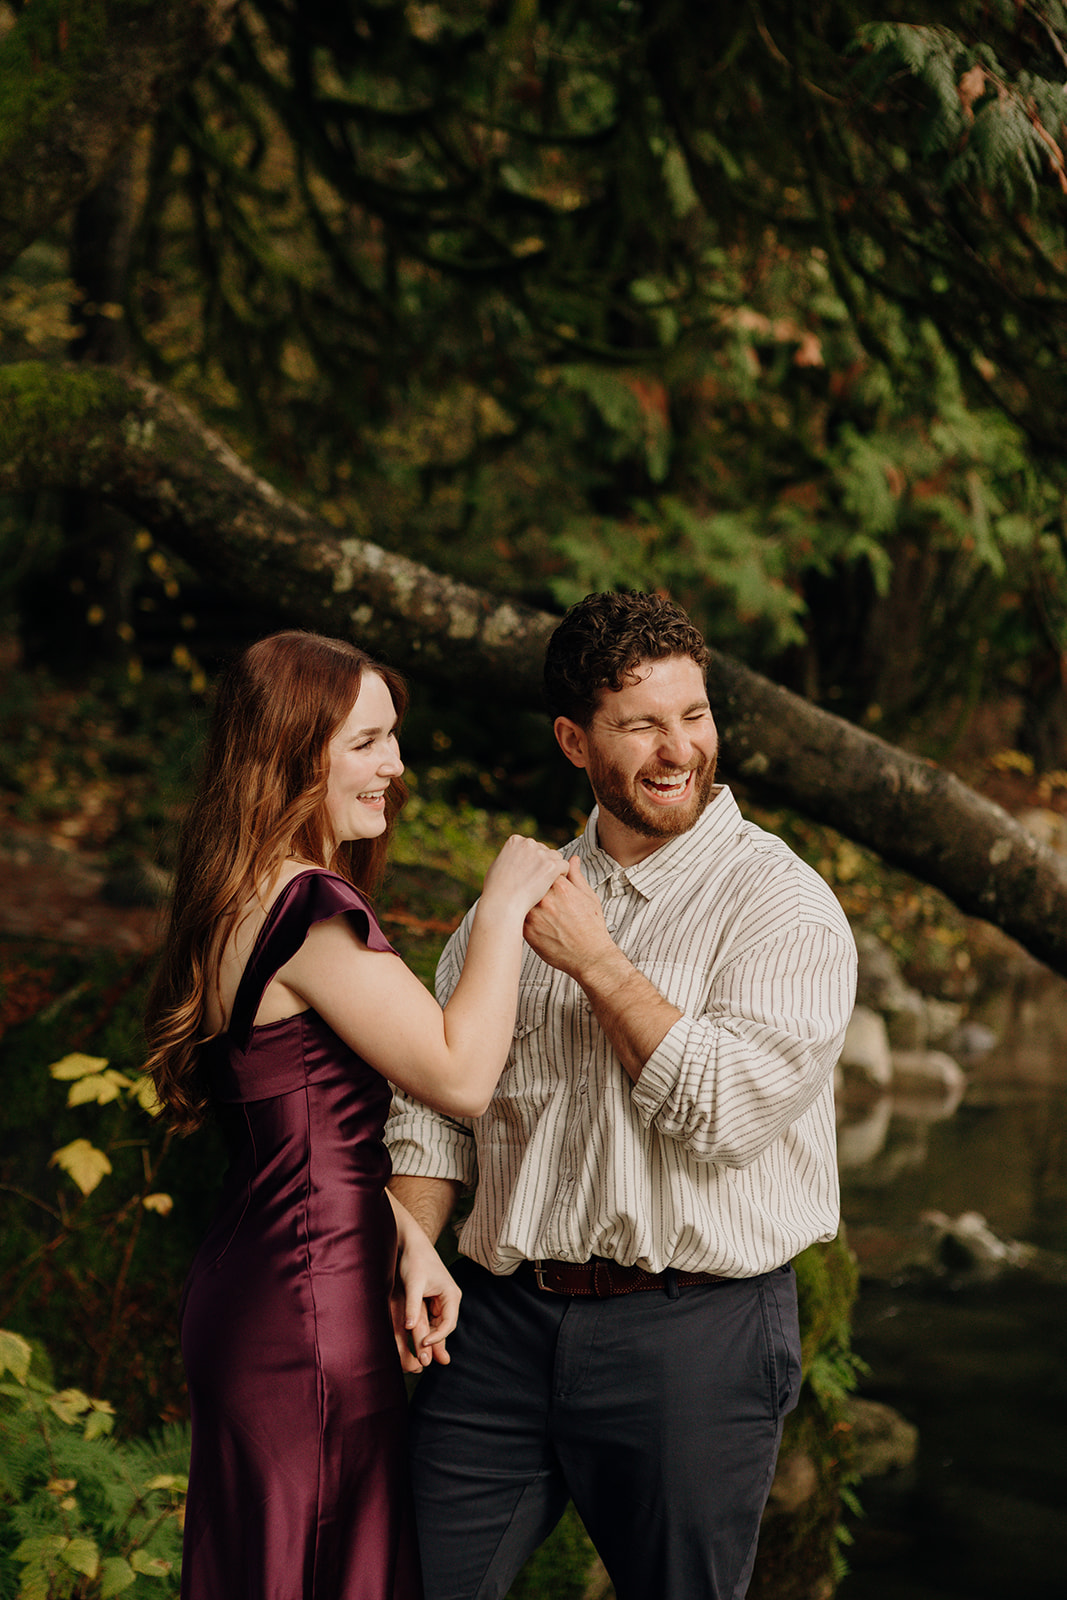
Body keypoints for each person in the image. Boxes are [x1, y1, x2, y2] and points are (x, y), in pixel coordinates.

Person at [387, 590, 858, 1600]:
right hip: (499, 1328)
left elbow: (728, 1111)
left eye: (691, 716)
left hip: (693, 1336)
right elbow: (431, 1105)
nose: (676, 747)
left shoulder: (779, 904)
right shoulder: (506, 904)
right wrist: (414, 1239)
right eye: (640, 724)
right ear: (573, 739)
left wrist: (597, 965)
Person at [143, 630, 565, 1600]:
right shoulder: (308, 910)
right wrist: (501, 910)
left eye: (394, 737)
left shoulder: (233, 892)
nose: (396, 765)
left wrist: (403, 1234)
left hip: (264, 1285)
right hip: (302, 1317)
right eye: (370, 741)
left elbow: (289, 1133)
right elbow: (458, 1075)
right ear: (299, 754)